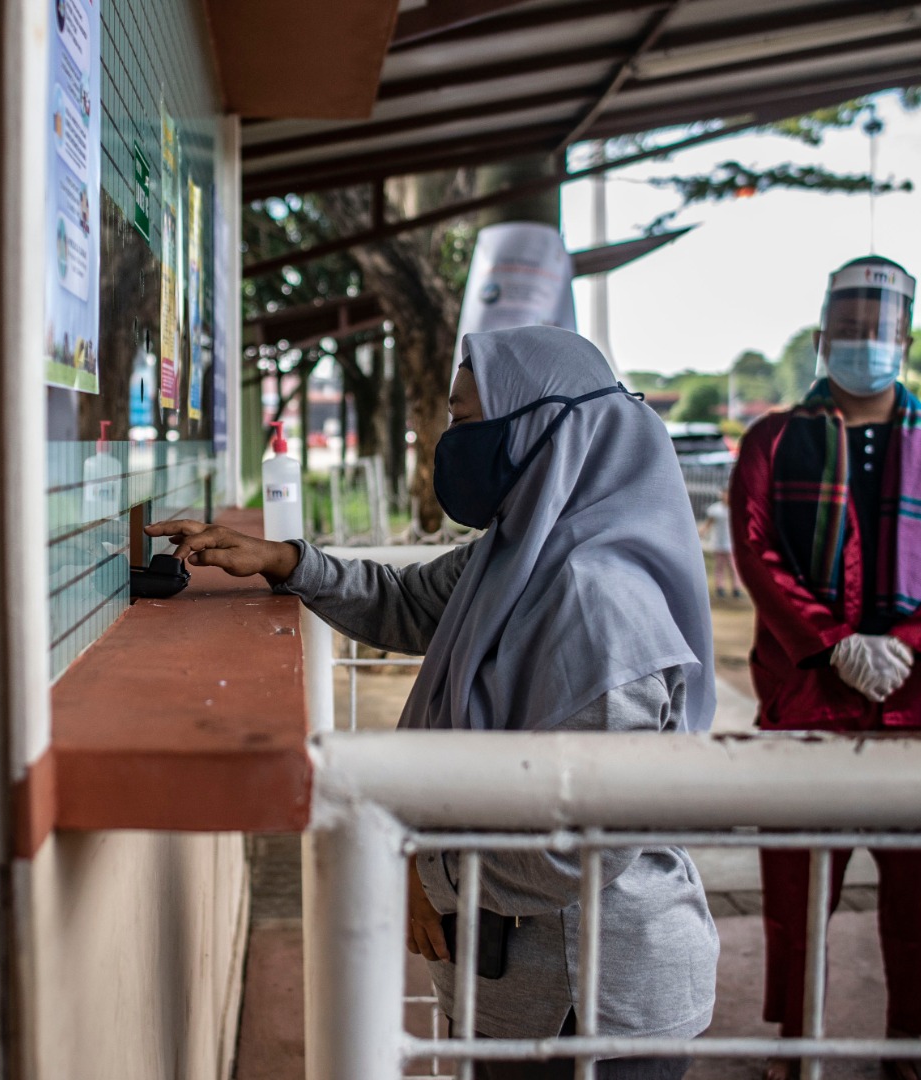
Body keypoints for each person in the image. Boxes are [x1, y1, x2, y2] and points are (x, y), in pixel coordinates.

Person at [149, 326, 718, 1080]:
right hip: (533, 987)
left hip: (593, 1004)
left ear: (542, 428)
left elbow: (578, 844)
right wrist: (284, 562)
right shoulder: (523, 551)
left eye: (465, 420)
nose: (445, 440)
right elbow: (412, 600)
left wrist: (426, 869)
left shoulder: (597, 603)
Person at [730, 256, 921, 1080]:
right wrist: (832, 641)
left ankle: (907, 1043)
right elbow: (755, 549)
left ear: (904, 343)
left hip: (915, 696)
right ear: (821, 340)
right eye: (846, 333)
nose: (862, 347)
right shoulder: (773, 440)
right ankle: (796, 1038)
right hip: (809, 687)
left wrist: (915, 646)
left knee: (920, 884)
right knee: (797, 881)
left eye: (876, 334)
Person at [702, 489, 741, 598]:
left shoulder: (736, 508)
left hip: (731, 543)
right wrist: (702, 531)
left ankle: (736, 588)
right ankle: (720, 587)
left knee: (733, 567)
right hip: (718, 542)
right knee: (719, 566)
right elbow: (709, 523)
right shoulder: (716, 509)